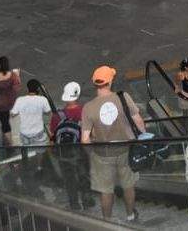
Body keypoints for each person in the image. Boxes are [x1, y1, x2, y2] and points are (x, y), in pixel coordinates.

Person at [81, 65, 144, 222]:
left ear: (95, 83)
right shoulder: (123, 97)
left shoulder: (88, 108)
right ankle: (130, 215)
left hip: (102, 154)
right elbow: (138, 121)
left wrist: (92, 152)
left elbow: (84, 139)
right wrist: (143, 139)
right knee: (128, 186)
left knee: (106, 191)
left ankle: (107, 221)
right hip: (126, 150)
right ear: (110, 82)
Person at [50, 82, 90, 211]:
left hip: (63, 153)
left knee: (69, 179)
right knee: (84, 176)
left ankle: (74, 204)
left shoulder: (57, 115)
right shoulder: (84, 111)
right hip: (80, 150)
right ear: (77, 95)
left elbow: (53, 134)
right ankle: (86, 201)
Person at [11, 78, 52, 147]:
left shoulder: (20, 100)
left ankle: (25, 157)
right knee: (39, 151)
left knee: (25, 148)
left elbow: (13, 114)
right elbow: (48, 112)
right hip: (38, 132)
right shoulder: (43, 99)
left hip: (24, 132)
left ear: (28, 89)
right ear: (38, 89)